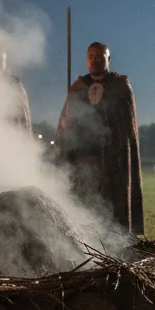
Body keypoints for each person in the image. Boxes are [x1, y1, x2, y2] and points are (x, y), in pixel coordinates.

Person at [56, 41, 143, 231]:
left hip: (110, 164)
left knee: (109, 214)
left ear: (108, 59)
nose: (94, 60)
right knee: (82, 209)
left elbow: (124, 127)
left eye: (99, 56)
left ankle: (111, 248)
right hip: (81, 164)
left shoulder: (119, 86)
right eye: (90, 56)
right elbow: (65, 125)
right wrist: (71, 98)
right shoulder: (79, 86)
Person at [0, 49, 32, 135]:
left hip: (10, 135)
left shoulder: (15, 85)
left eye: (1, 60)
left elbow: (24, 118)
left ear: (5, 63)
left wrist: (26, 140)